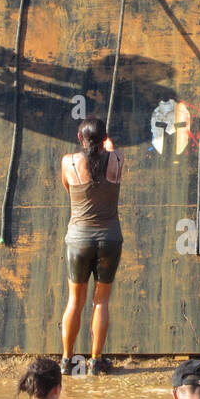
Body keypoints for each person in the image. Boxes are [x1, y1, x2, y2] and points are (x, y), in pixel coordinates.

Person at [61, 116, 123, 376]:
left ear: (80, 138)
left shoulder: (69, 162)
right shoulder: (118, 159)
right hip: (109, 238)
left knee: (75, 300)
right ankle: (96, 360)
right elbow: (110, 155)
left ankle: (68, 361)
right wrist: (108, 146)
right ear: (104, 138)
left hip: (79, 239)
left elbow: (68, 188)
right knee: (101, 301)